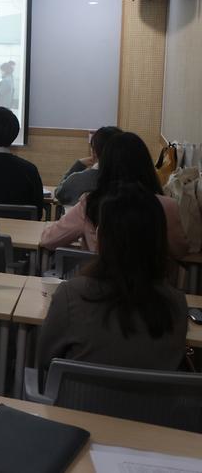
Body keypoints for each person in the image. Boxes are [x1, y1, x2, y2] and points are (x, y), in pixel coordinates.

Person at [37, 184, 188, 373]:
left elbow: (44, 359)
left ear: (100, 237)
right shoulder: (177, 305)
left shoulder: (72, 295)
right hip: (154, 403)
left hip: (77, 401)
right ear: (159, 240)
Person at [41, 131, 188, 257]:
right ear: (146, 165)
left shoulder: (91, 202)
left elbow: (48, 239)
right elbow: (179, 251)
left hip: (101, 285)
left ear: (105, 165)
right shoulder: (168, 206)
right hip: (151, 288)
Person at [54, 126, 123, 207]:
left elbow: (59, 193)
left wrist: (78, 165)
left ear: (94, 151)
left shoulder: (79, 180)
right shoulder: (132, 181)